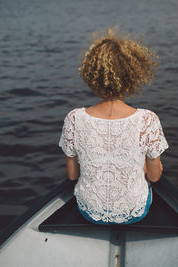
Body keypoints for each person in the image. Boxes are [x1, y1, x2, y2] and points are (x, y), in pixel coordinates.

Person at [59, 26, 168, 225]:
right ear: (133, 76)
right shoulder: (147, 120)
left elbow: (72, 175)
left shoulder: (74, 118)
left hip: (89, 210)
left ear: (93, 77)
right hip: (134, 212)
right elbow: (154, 177)